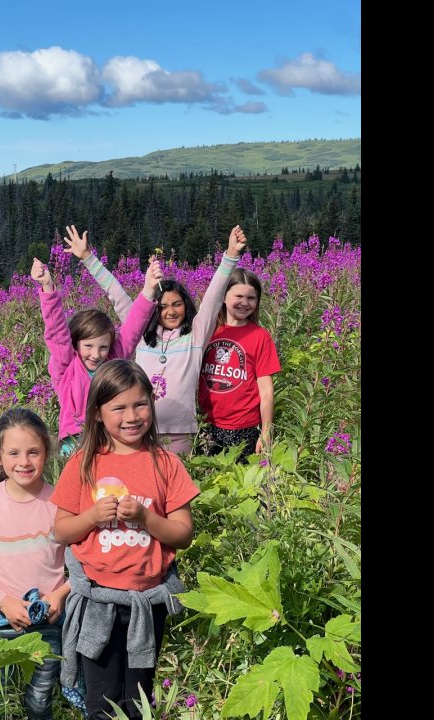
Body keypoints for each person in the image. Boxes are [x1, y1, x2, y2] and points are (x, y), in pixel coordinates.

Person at [50, 360, 199, 720]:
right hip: (97, 602)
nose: (131, 416)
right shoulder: (84, 462)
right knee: (101, 701)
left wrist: (147, 519)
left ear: (152, 402)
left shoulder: (166, 464)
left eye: (140, 404)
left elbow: (184, 535)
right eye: (118, 407)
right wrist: (91, 517)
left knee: (138, 701)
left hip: (146, 606)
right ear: (98, 414)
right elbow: (61, 531)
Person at [63, 224, 249, 455]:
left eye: (177, 304)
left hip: (181, 432)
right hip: (139, 429)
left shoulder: (196, 336)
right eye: (162, 306)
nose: (170, 311)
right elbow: (117, 295)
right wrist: (88, 258)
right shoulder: (140, 337)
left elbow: (213, 297)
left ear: (186, 306)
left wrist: (230, 255)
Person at [0, 408, 74, 719]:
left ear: (47, 452)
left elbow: (82, 564)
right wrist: (2, 601)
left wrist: (58, 596)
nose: (24, 461)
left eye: (33, 452)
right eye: (14, 453)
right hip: (1, 618)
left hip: (48, 620)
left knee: (40, 700)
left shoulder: (60, 503)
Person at [31, 253, 163, 457]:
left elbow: (133, 329)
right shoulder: (67, 365)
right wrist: (47, 288)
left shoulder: (113, 361)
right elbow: (56, 329)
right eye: (88, 346)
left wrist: (148, 290)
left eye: (103, 347)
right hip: (75, 442)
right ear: (75, 344)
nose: (96, 354)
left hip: (109, 438)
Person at [197, 269, 281, 463]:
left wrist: (266, 432)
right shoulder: (207, 332)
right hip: (206, 424)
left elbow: (266, 392)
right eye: (239, 296)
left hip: (245, 427)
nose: (245, 303)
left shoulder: (260, 337)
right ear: (223, 297)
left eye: (251, 298)